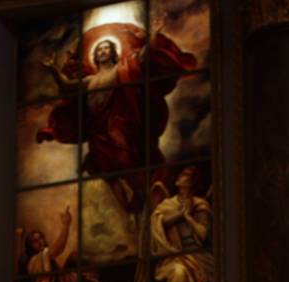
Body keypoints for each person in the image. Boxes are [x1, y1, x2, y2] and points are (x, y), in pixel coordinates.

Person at [36, 24, 197, 211]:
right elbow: (66, 87)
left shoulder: (124, 67)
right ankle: (125, 211)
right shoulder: (89, 81)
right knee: (102, 167)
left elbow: (144, 56)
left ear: (113, 53)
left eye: (106, 48)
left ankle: (139, 192)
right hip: (98, 129)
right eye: (99, 49)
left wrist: (152, 36)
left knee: (124, 157)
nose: (102, 51)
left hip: (121, 122)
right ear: (95, 56)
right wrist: (52, 68)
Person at [151, 167, 214, 282]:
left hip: (199, 256)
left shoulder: (200, 205)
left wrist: (188, 217)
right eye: (181, 173)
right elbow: (159, 222)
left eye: (185, 174)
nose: (180, 176)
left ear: (193, 181)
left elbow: (203, 235)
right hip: (174, 256)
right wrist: (180, 214)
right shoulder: (168, 204)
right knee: (179, 273)